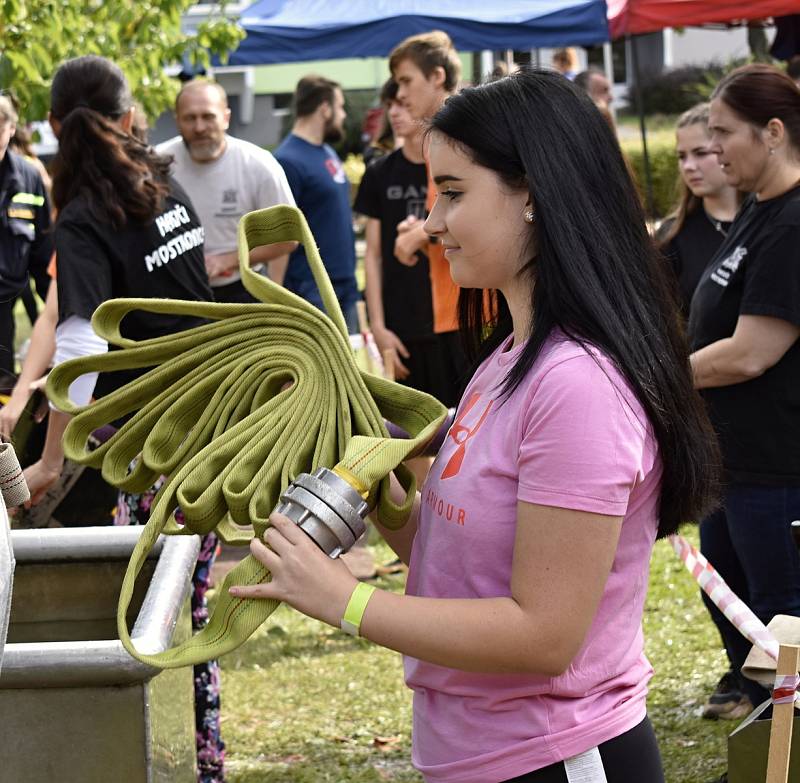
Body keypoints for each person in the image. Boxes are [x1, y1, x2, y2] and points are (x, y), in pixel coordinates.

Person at [230, 68, 719, 782]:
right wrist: (359, 469)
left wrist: (345, 599)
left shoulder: (577, 382)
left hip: (554, 757)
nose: (431, 222)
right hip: (475, 755)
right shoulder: (508, 358)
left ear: (532, 195)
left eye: (453, 193)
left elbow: (544, 633)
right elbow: (450, 554)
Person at [21, 55, 225, 783]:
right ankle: (201, 758)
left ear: (51, 129)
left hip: (154, 447)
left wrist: (49, 461)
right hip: (213, 421)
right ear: (132, 115)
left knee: (155, 612)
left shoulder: (82, 219)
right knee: (187, 607)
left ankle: (179, 761)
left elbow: (80, 347)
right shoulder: (163, 185)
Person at [689, 63, 800, 720]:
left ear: (775, 132)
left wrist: (657, 376)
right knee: (733, 598)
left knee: (780, 614)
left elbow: (753, 353)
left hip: (775, 467)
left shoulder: (791, 225)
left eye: (725, 132)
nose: (716, 147)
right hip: (732, 463)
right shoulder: (761, 214)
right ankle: (767, 734)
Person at [353, 80, 459, 405]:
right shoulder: (380, 172)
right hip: (403, 323)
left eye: (402, 102)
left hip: (452, 316)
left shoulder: (452, 167)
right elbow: (372, 256)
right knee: (414, 433)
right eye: (391, 105)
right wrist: (379, 327)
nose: (396, 112)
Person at [158, 80, 296, 303]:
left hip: (243, 290)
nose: (199, 127)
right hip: (176, 292)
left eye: (208, 116)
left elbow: (288, 238)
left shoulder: (258, 165)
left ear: (226, 117)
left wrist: (228, 260)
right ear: (177, 122)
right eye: (190, 118)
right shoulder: (157, 165)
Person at [389, 30, 469, 403]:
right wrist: (422, 230)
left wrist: (418, 236)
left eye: (406, 80)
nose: (400, 94)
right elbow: (449, 212)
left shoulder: (463, 133)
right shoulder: (440, 135)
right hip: (452, 306)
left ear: (437, 76)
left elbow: (482, 211)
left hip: (476, 307)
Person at [274, 76, 360, 331]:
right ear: (325, 108)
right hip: (312, 289)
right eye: (340, 106)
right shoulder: (287, 161)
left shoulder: (327, 151)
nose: (343, 115)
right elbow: (281, 234)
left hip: (345, 284)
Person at [658, 103, 741, 321]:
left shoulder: (769, 220)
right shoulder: (671, 236)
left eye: (700, 153)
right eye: (681, 156)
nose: (688, 166)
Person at [0, 94, 52, 375]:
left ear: (11, 128)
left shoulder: (28, 178)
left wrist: (58, 311)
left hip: (6, 305)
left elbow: (42, 249)